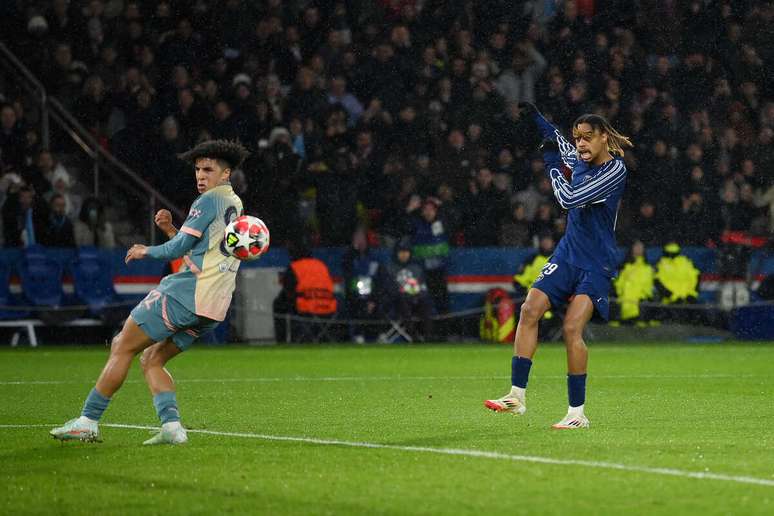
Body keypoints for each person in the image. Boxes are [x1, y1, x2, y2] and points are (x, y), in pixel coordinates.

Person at [50, 139, 249, 445]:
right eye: (197, 169)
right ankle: (171, 427)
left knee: (122, 345)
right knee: (151, 359)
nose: (200, 175)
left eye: (208, 169)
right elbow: (197, 251)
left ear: (226, 174)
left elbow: (180, 249)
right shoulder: (234, 204)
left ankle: (88, 420)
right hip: (213, 305)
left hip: (186, 292)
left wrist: (147, 249)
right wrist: (172, 229)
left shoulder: (208, 201)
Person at [484, 103, 632, 429]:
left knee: (571, 329)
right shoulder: (578, 157)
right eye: (577, 138)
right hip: (567, 255)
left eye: (587, 138)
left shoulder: (614, 171)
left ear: (604, 138)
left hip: (595, 263)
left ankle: (577, 413)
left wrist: (552, 166)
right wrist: (535, 116)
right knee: (529, 309)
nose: (580, 144)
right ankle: (516, 396)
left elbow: (569, 198)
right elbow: (557, 140)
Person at [273, 238, 337, 343]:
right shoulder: (321, 265)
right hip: (328, 308)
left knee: (278, 304)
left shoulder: (295, 267)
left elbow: (288, 292)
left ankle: (282, 341)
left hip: (307, 307)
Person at [612, 240, 655, 325]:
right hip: (625, 295)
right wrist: (619, 292)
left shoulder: (648, 268)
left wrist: (643, 294)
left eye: (641, 247)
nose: (638, 249)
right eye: (636, 246)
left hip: (641, 296)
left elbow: (648, 284)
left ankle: (632, 318)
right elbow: (619, 283)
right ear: (632, 249)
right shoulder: (624, 266)